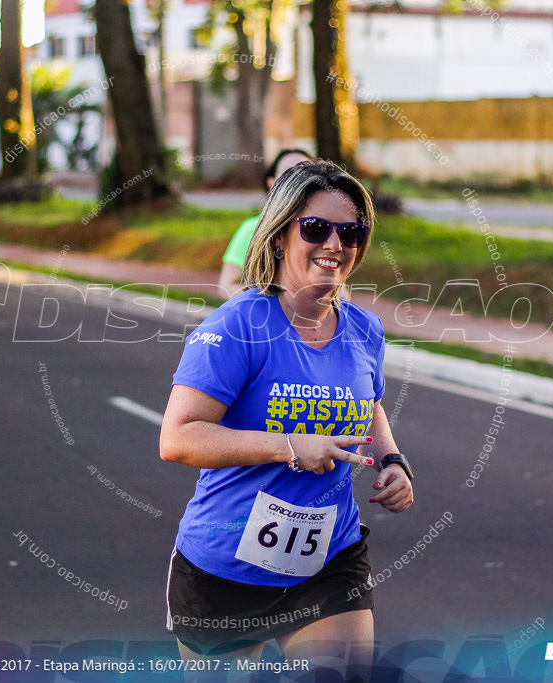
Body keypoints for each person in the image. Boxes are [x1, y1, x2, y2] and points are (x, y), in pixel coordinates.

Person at [160, 161, 414, 677]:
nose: (335, 244)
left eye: (352, 232)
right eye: (316, 228)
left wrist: (392, 459)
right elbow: (178, 437)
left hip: (328, 559)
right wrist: (290, 447)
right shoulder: (236, 326)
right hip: (225, 565)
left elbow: (369, 405)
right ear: (279, 236)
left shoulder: (364, 328)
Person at [218, 149, 312, 298]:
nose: (297, 181)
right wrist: (271, 305)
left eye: (306, 174)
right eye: (289, 174)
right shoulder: (253, 229)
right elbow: (227, 285)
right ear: (271, 183)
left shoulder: (326, 230)